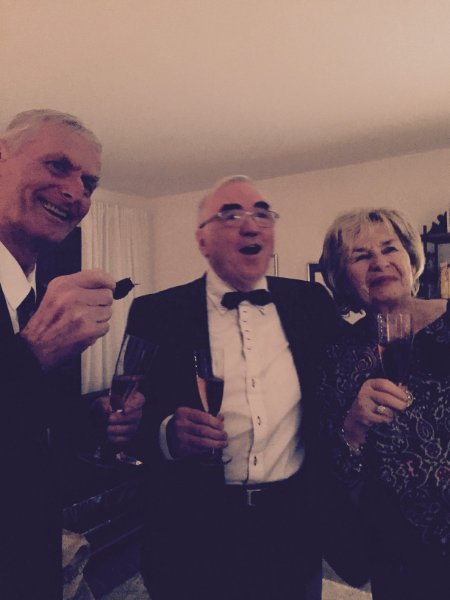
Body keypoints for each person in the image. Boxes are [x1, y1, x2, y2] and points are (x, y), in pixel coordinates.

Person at [117, 175, 339, 600]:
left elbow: (343, 383)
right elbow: (127, 419)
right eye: (231, 215)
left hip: (292, 525)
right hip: (192, 529)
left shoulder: (311, 304)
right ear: (202, 240)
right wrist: (167, 435)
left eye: (262, 215)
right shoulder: (155, 313)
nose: (251, 226)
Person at [0, 109, 116, 599]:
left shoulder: (38, 300)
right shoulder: (42, 329)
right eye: (57, 166)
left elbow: (23, 431)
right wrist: (33, 354)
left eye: (89, 183)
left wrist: (93, 418)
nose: (75, 193)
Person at [319, 208, 449, 600]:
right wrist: (353, 426)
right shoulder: (337, 354)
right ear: (342, 277)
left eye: (389, 248)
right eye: (361, 256)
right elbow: (335, 466)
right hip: (399, 555)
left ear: (411, 258)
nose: (379, 262)